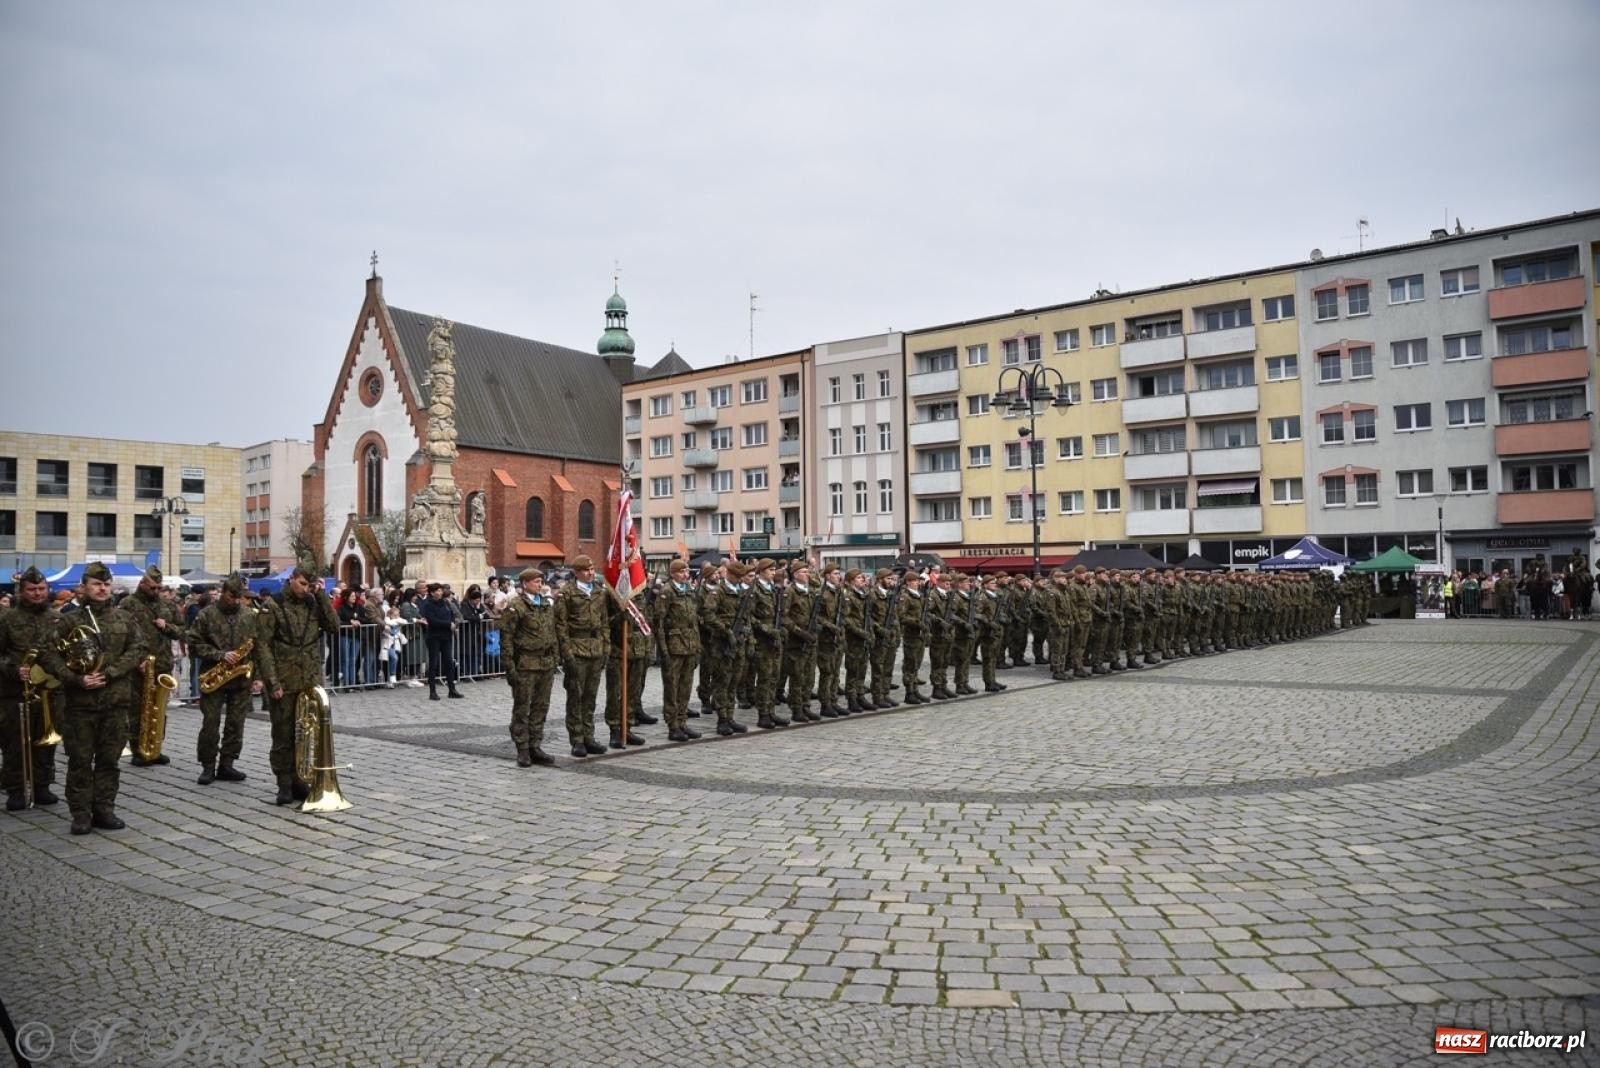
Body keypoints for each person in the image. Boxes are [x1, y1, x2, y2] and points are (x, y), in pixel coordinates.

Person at [41, 562, 144, 835]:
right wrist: (75, 678)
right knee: (80, 760)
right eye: (97, 584)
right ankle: (81, 813)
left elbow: (137, 649)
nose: (102, 589)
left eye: (106, 584)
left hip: (115, 701)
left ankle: (104, 809)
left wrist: (111, 673)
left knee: (110, 760)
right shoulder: (69, 620)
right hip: (80, 704)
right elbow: (48, 654)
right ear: (84, 587)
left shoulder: (124, 618)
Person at [256, 566, 341, 806]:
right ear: (292, 579)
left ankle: (300, 780)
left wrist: (323, 596)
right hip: (284, 678)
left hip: (310, 678)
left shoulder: (313, 603)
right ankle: (284, 783)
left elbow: (334, 626)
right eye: (302, 583)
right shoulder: (272, 605)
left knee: (307, 734)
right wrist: (272, 682)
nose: (305, 589)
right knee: (283, 734)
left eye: (309, 585)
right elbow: (263, 646)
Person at [1, 567, 63, 811]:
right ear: (21, 591)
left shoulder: (57, 617)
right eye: (31, 589)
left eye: (41, 589)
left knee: (45, 741)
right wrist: (14, 669)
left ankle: (42, 785)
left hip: (48, 691)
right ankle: (15, 789)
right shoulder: (7, 618)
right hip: (14, 691)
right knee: (14, 742)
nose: (37, 593)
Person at [188, 573, 257, 786]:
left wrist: (259, 677)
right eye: (231, 597)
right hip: (215, 675)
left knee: (236, 724)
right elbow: (193, 643)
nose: (235, 601)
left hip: (240, 679)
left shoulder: (248, 615)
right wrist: (220, 655)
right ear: (223, 593)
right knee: (211, 723)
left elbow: (258, 646)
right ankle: (208, 765)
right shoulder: (206, 614)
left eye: (239, 597)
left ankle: (227, 764)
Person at [117, 565, 185, 766]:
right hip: (138, 666)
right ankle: (139, 749)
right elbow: (121, 636)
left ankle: (155, 747)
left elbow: (182, 630)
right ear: (142, 584)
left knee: (159, 708)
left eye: (159, 588)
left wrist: (168, 626)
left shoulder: (167, 605)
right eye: (152, 588)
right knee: (138, 709)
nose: (156, 592)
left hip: (162, 664)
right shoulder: (128, 604)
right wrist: (136, 660)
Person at [499, 568, 558, 767]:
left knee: (541, 707)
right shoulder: (516, 606)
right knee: (522, 708)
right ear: (524, 584)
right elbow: (506, 639)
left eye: (541, 581)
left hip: (545, 664)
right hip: (526, 664)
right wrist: (510, 668)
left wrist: (555, 658)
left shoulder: (546, 605)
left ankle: (535, 745)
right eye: (535, 581)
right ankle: (522, 748)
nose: (540, 585)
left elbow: (553, 633)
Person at [553, 556, 610, 757]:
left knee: (590, 697)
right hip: (576, 649)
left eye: (592, 569)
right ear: (576, 572)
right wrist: (566, 654)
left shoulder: (598, 592)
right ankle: (577, 739)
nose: (591, 573)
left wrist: (605, 646)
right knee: (576, 697)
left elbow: (604, 622)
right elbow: (560, 626)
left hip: (595, 648)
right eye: (586, 570)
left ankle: (589, 736)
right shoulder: (566, 593)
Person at [652, 559, 703, 742]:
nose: (685, 574)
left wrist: (697, 646)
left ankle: (682, 722)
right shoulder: (667, 592)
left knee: (685, 687)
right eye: (682, 571)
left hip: (689, 645)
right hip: (674, 646)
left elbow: (694, 621)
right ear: (673, 573)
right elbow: (658, 623)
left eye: (687, 571)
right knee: (672, 688)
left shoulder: (688, 590)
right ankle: (673, 725)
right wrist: (663, 650)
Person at [420, 583, 464, 700]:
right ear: (432, 593)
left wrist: (454, 622)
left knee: (449, 663)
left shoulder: (445, 603)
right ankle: (432, 691)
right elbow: (432, 621)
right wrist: (448, 624)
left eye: (440, 590)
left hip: (446, 637)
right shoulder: (428, 605)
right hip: (434, 637)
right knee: (433, 664)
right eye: (437, 591)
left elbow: (451, 615)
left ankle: (452, 689)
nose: (440, 593)